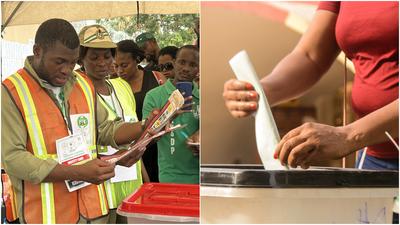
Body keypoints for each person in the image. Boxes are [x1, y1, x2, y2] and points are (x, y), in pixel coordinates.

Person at [1, 18, 157, 224]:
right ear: (37, 51)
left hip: (93, 212)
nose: (67, 70)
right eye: (59, 61)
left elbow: (105, 129)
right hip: (48, 216)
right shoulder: (11, 92)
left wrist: (144, 126)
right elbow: (13, 158)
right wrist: (76, 172)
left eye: (72, 62)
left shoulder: (82, 84)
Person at [223, 2, 398, 170]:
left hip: (362, 141)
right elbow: (311, 57)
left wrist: (349, 135)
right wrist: (261, 92)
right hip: (374, 157)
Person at [77, 24, 149, 223]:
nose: (102, 63)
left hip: (130, 188)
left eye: (107, 56)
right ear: (80, 58)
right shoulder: (75, 90)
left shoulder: (122, 87)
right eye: (94, 57)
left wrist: (144, 179)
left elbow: (134, 138)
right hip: (98, 190)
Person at [143, 45, 200, 184]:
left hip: (202, 176)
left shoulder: (206, 96)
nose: (186, 68)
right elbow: (145, 140)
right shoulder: (154, 96)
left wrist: (201, 135)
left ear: (199, 69)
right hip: (170, 177)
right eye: (182, 62)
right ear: (174, 63)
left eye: (193, 64)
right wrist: (166, 115)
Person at [115, 39, 165, 182]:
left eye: (124, 65)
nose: (119, 71)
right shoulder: (113, 85)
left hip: (158, 146)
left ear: (137, 60)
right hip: (130, 148)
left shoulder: (157, 78)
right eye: (116, 66)